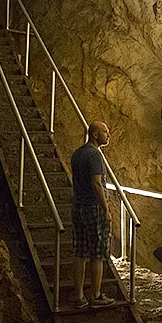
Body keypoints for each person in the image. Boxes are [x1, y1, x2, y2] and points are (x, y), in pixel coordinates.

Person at [70, 121, 115, 309]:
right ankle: (95, 295)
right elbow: (97, 183)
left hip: (77, 206)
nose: (108, 134)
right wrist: (105, 209)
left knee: (80, 252)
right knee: (98, 252)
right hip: (93, 208)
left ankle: (79, 296)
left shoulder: (77, 154)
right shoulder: (95, 155)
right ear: (95, 135)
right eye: (105, 131)